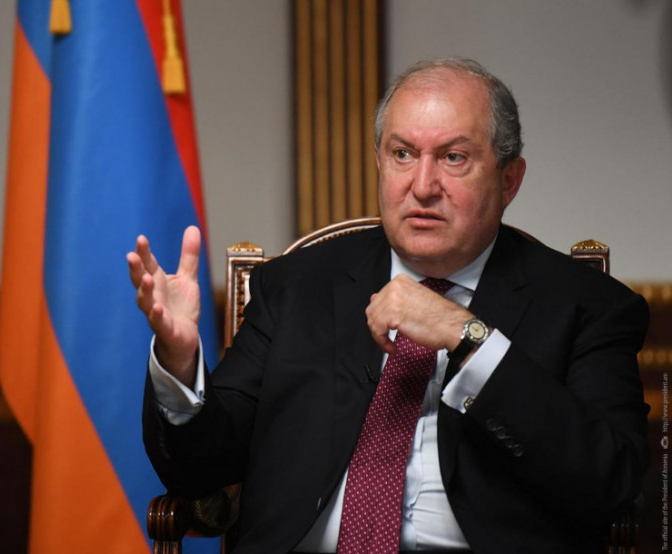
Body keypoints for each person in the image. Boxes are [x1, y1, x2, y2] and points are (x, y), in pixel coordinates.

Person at [128, 58, 649, 554]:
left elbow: (612, 482)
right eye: (402, 154)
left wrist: (471, 338)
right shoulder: (295, 287)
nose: (422, 187)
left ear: (509, 179)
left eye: (453, 157)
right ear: (379, 161)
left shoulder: (586, 306)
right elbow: (199, 469)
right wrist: (179, 361)